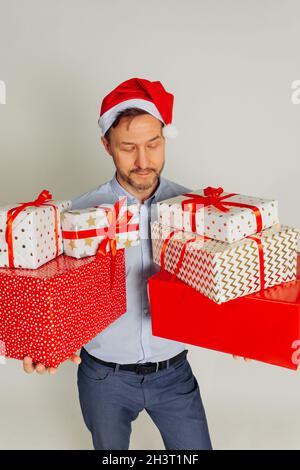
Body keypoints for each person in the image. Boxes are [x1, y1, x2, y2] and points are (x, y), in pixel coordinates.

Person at [23, 77, 215, 450]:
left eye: (154, 145)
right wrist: (39, 344)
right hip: (103, 379)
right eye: (128, 148)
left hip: (174, 374)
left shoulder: (195, 209)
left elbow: (217, 281)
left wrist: (247, 333)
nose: (144, 162)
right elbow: (51, 297)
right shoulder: (75, 216)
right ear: (106, 145)